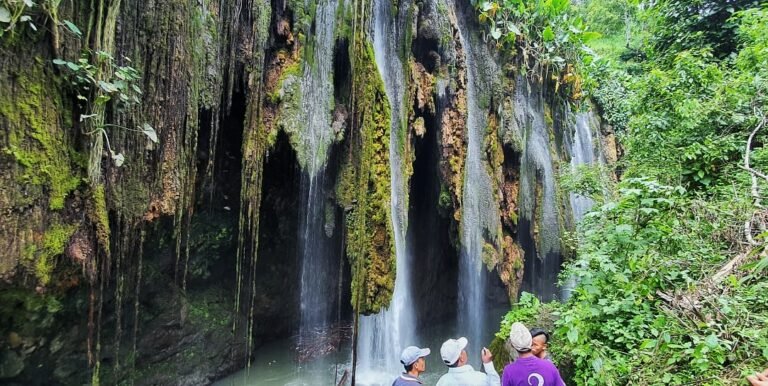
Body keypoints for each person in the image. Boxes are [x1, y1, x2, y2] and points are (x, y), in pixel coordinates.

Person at [436, 336, 501, 386]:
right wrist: (488, 363)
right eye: (463, 349)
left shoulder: (442, 382)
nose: (465, 350)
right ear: (461, 358)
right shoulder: (479, 379)